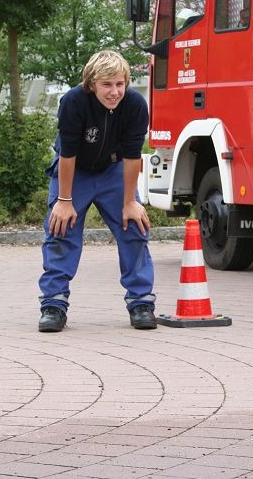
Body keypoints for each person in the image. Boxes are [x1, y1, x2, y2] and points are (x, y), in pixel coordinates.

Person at [37, 50, 157, 332]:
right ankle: (54, 304)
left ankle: (141, 302)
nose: (114, 92)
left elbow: (132, 156)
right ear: (91, 84)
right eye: (107, 85)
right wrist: (64, 200)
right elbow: (67, 153)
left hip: (114, 171)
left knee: (134, 226)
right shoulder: (73, 101)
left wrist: (129, 201)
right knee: (60, 229)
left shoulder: (135, 105)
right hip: (74, 170)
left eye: (120, 84)